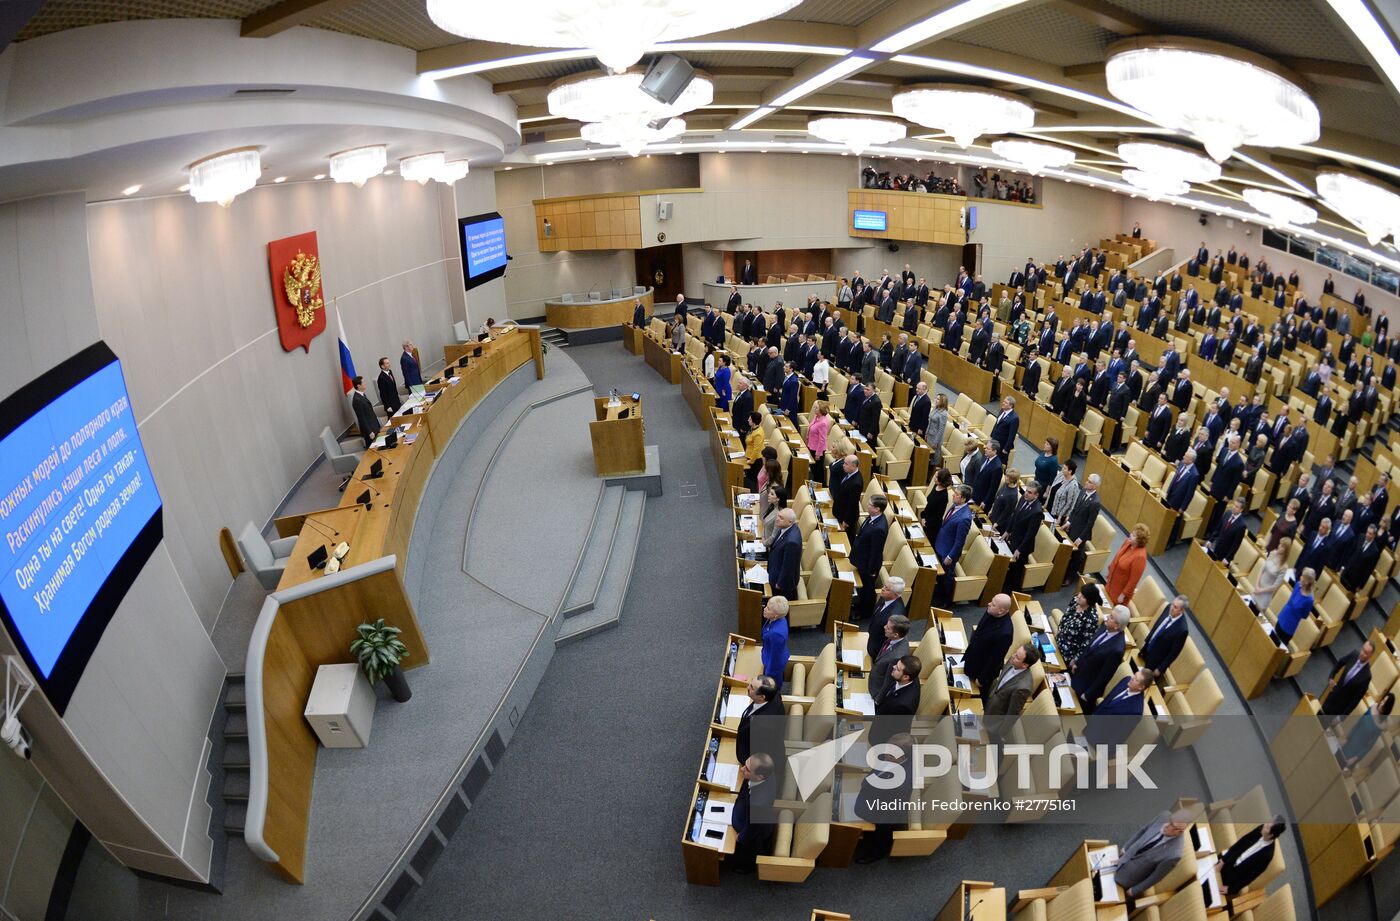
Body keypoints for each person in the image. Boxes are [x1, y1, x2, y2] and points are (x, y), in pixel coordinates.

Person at [852, 732, 914, 864]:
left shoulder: (900, 787)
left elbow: (887, 815)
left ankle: (877, 852)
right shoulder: (898, 759)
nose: (885, 754)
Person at [1109, 810, 1194, 901]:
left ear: (1179, 832)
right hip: (1123, 858)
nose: (1166, 824)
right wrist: (1125, 849)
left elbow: (1156, 877)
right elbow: (1142, 831)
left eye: (1172, 825)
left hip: (1127, 878)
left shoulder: (1174, 854)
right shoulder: (1164, 815)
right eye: (1170, 820)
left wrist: (1134, 890)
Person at [1071, 606, 1129, 712]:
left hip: (1086, 688)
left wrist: (1088, 694)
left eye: (1111, 617)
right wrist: (1077, 662)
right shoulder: (1105, 625)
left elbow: (1104, 676)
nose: (1107, 617)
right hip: (1078, 673)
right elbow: (1090, 646)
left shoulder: (1117, 650)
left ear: (1117, 626)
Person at [1215, 817, 1287, 897]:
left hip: (1232, 878)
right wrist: (1223, 861)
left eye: (1267, 827)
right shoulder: (1261, 829)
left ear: (1271, 835)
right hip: (1228, 861)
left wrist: (1231, 889)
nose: (1264, 825)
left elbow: (1250, 876)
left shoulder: (1267, 855)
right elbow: (1241, 842)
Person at [730, 753, 776, 872]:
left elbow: (751, 831)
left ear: (759, 777)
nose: (741, 769)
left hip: (753, 833)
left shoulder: (758, 804)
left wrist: (740, 838)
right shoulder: (768, 775)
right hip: (749, 811)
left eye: (747, 769)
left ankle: (745, 867)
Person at [964, 594, 1014, 700]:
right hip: (973, 658)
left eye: (993, 604)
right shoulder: (991, 611)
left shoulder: (1005, 633)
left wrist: (982, 679)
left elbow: (995, 659)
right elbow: (979, 630)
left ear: (1001, 611)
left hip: (981, 671)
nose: (989, 604)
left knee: (976, 698)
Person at [1086, 668, 1152, 749]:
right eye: (1134, 676)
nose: (1132, 679)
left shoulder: (1136, 711)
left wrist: (1104, 753)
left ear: (1141, 687)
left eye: (1136, 680)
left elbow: (1120, 735)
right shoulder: (1126, 680)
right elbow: (1107, 699)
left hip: (1099, 740)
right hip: (1091, 724)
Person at [851, 495, 890, 621]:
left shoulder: (879, 528)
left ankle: (865, 612)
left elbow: (876, 551)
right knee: (864, 586)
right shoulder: (873, 517)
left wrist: (872, 570)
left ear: (877, 509)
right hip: (861, 557)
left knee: (868, 588)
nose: (867, 505)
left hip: (868, 563)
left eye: (870, 505)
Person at [935, 485, 975, 598]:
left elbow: (959, 541)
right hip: (941, 544)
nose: (953, 495)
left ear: (963, 499)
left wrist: (950, 556)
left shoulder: (965, 518)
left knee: (947, 577)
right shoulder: (955, 505)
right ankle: (939, 592)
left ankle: (946, 600)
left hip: (948, 552)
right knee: (941, 575)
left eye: (956, 494)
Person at [735, 675, 782, 768]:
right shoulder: (774, 694)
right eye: (751, 683)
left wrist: (748, 765)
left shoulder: (764, 726)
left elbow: (760, 752)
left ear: (761, 697)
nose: (748, 687)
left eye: (752, 688)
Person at [984, 643, 1041, 720]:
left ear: (1024, 665)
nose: (1013, 656)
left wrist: (999, 731)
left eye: (1017, 657)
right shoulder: (1013, 659)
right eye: (1016, 652)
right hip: (988, 702)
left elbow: (1012, 715)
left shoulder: (1023, 689)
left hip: (995, 719)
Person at [1340, 693, 1393, 770]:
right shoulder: (1372, 708)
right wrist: (1346, 738)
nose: (1382, 704)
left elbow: (1369, 746)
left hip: (1355, 753)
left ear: (1388, 708)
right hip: (1350, 741)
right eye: (1383, 701)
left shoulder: (1381, 726)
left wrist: (1355, 758)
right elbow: (1358, 724)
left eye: (1385, 704)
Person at [1141, 594, 1190, 678]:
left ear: (1181, 611)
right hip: (1147, 649)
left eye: (1175, 607)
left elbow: (1173, 653)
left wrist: (1160, 669)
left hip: (1155, 661)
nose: (1171, 608)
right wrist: (1147, 641)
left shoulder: (1182, 630)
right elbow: (1157, 625)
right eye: (1172, 604)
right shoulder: (1168, 607)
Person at [1321, 641, 1374, 718]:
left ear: (1370, 656)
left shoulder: (1367, 676)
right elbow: (1340, 662)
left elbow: (1355, 701)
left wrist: (1342, 717)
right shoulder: (1354, 654)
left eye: (1365, 653)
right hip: (1332, 696)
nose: (1362, 653)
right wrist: (1331, 677)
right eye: (1362, 649)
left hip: (1339, 709)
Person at [868, 615, 911, 702]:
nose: (884, 627)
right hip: (875, 673)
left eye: (887, 628)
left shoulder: (897, 657)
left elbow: (889, 682)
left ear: (896, 634)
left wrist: (877, 699)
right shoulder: (899, 637)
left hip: (875, 689)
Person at [1065, 474, 1101, 578]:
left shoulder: (1095, 502)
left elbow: (1090, 523)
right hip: (1073, 526)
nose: (1086, 482)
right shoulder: (1082, 491)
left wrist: (1081, 538)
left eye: (1089, 482)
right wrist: (1069, 522)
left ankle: (1069, 577)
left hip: (1081, 532)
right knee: (1066, 551)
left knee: (1075, 556)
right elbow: (1075, 509)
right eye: (1087, 480)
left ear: (1094, 486)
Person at [1057, 585, 1102, 664]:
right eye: (1080, 593)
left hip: (1068, 651)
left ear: (1089, 601)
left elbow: (1086, 642)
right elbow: (1065, 616)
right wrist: (1059, 629)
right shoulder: (1075, 600)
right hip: (1059, 638)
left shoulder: (1091, 619)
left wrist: (1075, 659)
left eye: (1083, 597)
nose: (1079, 596)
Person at [1105, 525, 1149, 606]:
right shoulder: (1127, 542)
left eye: (1133, 535)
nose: (1130, 535)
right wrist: (1110, 571)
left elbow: (1133, 580)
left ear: (1139, 541)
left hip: (1119, 592)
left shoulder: (1140, 557)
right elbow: (1116, 558)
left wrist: (1123, 595)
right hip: (1111, 582)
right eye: (1132, 533)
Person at [866, 578, 908, 662]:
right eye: (884, 586)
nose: (883, 589)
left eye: (887, 589)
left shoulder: (896, 614)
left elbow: (890, 637)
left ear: (895, 594)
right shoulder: (885, 597)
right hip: (871, 638)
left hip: (878, 649)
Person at [766, 509, 801, 603]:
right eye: (778, 516)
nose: (777, 519)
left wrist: (780, 583)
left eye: (781, 518)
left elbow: (788, 567)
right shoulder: (786, 527)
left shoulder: (792, 542)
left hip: (782, 585)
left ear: (790, 521)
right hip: (775, 569)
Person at [759, 596, 791, 690]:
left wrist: (768, 675)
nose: (764, 609)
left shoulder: (777, 634)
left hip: (773, 664)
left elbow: (775, 658)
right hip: (769, 653)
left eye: (768, 609)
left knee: (772, 688)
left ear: (776, 615)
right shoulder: (775, 618)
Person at [1251, 539, 1290, 611]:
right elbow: (1262, 570)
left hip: (1265, 595)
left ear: (1286, 550)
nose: (1279, 547)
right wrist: (1256, 586)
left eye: (1282, 546)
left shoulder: (1284, 567)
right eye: (1280, 544)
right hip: (1258, 587)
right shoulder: (1272, 553)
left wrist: (1260, 590)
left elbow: (1275, 586)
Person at [832, 455, 864, 536]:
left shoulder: (856, 483)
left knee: (846, 539)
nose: (843, 465)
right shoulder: (848, 472)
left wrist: (846, 521)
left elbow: (852, 504)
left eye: (846, 464)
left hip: (846, 518)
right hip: (839, 511)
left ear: (853, 466)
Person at [920, 468, 952, 547]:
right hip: (926, 520)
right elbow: (929, 504)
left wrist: (927, 523)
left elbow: (938, 516)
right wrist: (923, 517)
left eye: (936, 477)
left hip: (932, 527)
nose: (934, 477)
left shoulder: (944, 497)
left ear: (941, 480)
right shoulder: (936, 486)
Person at [350, 375, 381, 447]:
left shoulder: (362, 395)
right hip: (370, 431)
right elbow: (362, 418)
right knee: (372, 451)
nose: (365, 384)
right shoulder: (357, 400)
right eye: (363, 383)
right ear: (358, 386)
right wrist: (369, 432)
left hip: (374, 426)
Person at [805, 401, 831, 484]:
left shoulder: (823, 422)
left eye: (816, 408)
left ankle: (819, 486)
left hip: (817, 450)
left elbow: (822, 440)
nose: (814, 409)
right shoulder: (816, 417)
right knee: (813, 468)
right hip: (811, 445)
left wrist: (818, 453)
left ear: (821, 410)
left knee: (817, 471)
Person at [990, 396, 1018, 463]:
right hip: (995, 440)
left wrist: (1006, 448)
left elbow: (1012, 435)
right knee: (991, 459)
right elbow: (997, 424)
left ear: (1011, 405)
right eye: (1003, 401)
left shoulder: (1014, 418)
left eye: (1006, 402)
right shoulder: (1002, 410)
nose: (1003, 403)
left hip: (1003, 445)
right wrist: (992, 435)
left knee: (1000, 462)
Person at [742, 412, 764, 491]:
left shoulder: (758, 433)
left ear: (754, 421)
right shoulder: (753, 428)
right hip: (749, 455)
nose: (748, 420)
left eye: (750, 419)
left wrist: (750, 461)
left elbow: (756, 450)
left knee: (752, 481)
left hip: (755, 460)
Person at [926, 393, 949, 464]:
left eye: (938, 399)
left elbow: (941, 430)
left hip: (935, 439)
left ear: (943, 401)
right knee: (927, 455)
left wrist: (935, 442)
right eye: (936, 398)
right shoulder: (935, 408)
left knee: (934, 457)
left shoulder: (943, 414)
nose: (936, 400)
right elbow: (929, 422)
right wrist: (926, 433)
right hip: (929, 435)